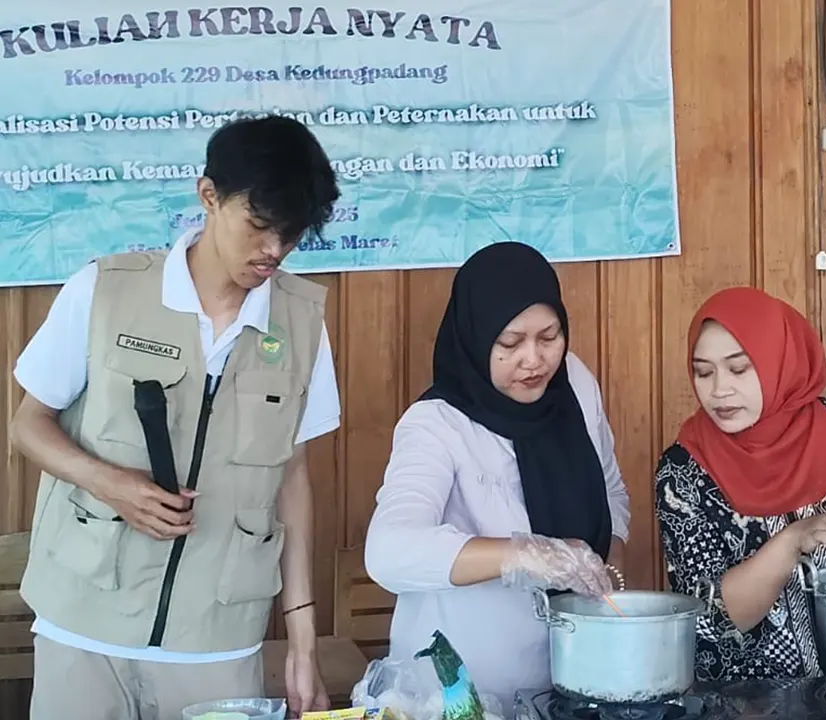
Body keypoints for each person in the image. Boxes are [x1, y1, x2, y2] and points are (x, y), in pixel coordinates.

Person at [8, 115, 342, 719]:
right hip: (84, 621)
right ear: (209, 196)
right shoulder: (104, 290)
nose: (273, 251)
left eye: (290, 235)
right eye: (259, 226)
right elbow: (28, 424)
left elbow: (293, 480)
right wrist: (111, 483)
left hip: (217, 641)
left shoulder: (303, 325)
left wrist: (301, 641)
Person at [363, 241, 631, 713]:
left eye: (549, 337)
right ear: (475, 337)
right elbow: (388, 551)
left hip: (565, 685)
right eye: (509, 344)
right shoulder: (435, 425)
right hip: (456, 696)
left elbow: (610, 489)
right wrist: (523, 554)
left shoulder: (573, 387)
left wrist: (605, 576)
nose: (534, 360)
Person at [655, 286, 826, 681]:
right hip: (746, 704)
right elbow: (709, 618)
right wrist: (791, 543)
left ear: (780, 360)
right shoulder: (685, 470)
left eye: (739, 368)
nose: (719, 389)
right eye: (703, 372)